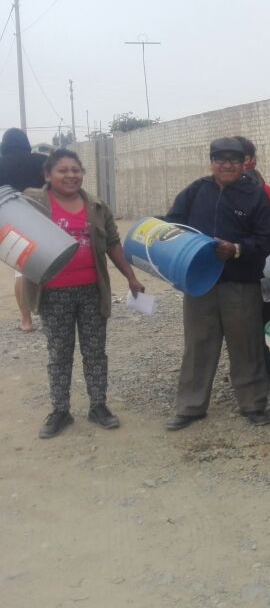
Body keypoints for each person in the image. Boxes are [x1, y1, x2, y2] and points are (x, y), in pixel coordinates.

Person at [19, 150, 146, 438]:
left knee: (95, 352)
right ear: (47, 175)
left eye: (76, 170)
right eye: (63, 170)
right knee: (59, 354)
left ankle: (98, 406)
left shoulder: (97, 206)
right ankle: (60, 411)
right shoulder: (33, 203)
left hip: (91, 290)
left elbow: (113, 243)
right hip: (52, 292)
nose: (71, 175)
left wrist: (131, 277)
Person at [164, 137, 270, 431]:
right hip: (199, 283)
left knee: (246, 344)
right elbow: (173, 225)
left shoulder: (255, 195)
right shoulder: (196, 191)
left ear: (244, 164)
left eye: (233, 159)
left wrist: (237, 249)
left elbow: (267, 238)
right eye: (220, 158)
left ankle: (253, 403)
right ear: (211, 162)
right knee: (198, 343)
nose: (226, 164)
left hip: (239, 282)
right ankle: (191, 406)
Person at [239, 137, 270, 380]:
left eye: (241, 158)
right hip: (237, 267)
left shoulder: (263, 189)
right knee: (241, 320)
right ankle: (249, 368)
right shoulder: (218, 190)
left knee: (269, 315)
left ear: (251, 161)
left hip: (264, 265)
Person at [0, 127, 47, 331]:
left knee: (21, 270)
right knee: (46, 268)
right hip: (40, 218)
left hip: (10, 221)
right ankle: (48, 315)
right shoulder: (40, 161)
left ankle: (26, 320)